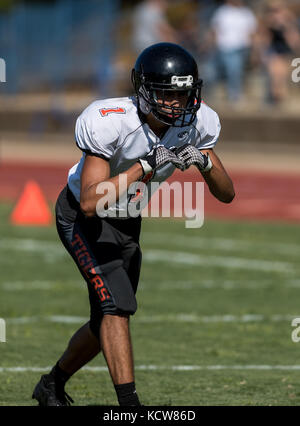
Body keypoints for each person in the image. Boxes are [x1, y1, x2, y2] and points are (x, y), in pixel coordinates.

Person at [31, 42, 235, 406]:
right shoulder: (110, 119)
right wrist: (143, 166)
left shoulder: (199, 121)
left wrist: (206, 163)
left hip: (128, 220)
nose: (177, 102)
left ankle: (52, 384)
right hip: (83, 218)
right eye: (167, 94)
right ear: (143, 91)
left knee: (104, 322)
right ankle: (131, 407)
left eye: (184, 93)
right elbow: (92, 202)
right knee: (116, 308)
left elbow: (227, 194)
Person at [204, 0, 257, 103]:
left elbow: (252, 32)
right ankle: (233, 95)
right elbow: (214, 30)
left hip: (241, 48)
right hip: (224, 48)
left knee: (234, 70)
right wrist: (209, 46)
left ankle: (234, 95)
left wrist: (255, 51)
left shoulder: (247, 13)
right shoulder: (222, 12)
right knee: (228, 70)